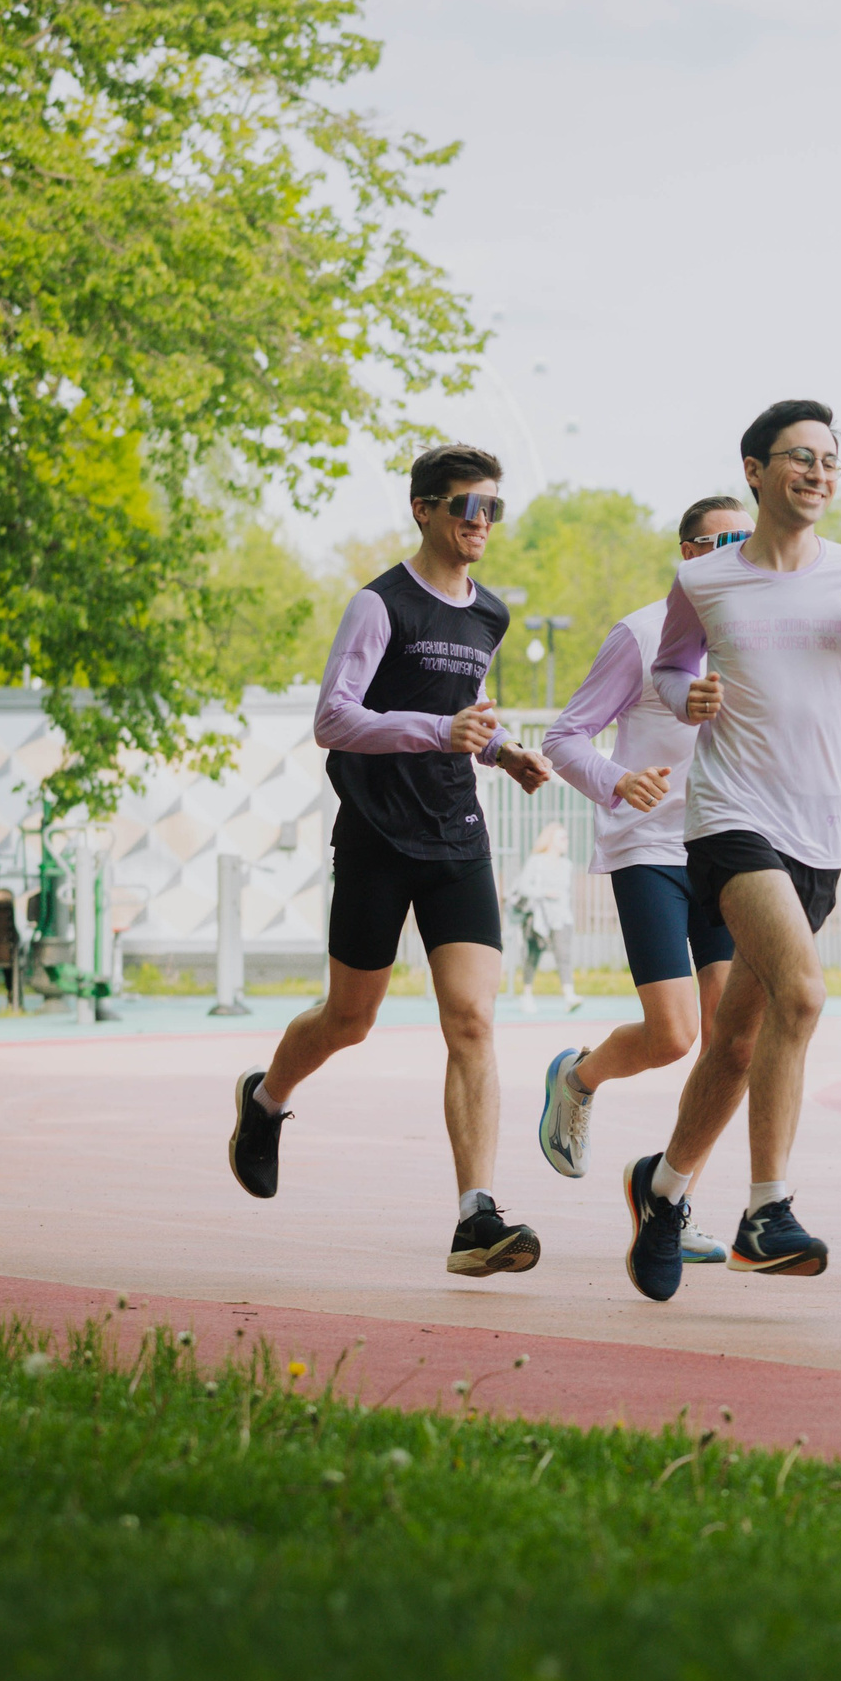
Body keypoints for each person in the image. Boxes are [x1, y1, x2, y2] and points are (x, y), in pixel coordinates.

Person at [619, 398, 841, 1300]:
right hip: (729, 818)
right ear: (756, 471)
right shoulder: (709, 580)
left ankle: (665, 1188)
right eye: (799, 457)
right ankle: (768, 1210)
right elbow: (673, 663)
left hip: (820, 832)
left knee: (735, 1042)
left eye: (831, 461)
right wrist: (687, 694)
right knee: (801, 995)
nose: (818, 473)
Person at [226, 443, 557, 1279]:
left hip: (456, 837)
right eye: (465, 507)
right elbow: (335, 720)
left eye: (493, 509)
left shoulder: (492, 615)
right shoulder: (380, 606)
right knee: (351, 1019)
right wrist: (437, 732)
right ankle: (266, 1100)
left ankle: (475, 1220)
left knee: (473, 1020)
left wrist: (502, 750)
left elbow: (465, 714)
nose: (480, 523)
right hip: (377, 836)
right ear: (423, 509)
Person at [538, 494, 839, 1270]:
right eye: (722, 539)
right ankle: (579, 1076)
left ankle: (673, 1202)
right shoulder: (643, 635)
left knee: (731, 1042)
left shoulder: (771, 627)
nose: (741, 548)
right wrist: (616, 781)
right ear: (688, 554)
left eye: (747, 535)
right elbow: (566, 737)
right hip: (651, 847)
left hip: (734, 847)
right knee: (673, 1035)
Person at [508, 820, 581, 1013]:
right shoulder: (536, 861)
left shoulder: (567, 865)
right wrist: (544, 892)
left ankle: (569, 996)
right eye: (562, 837)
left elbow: (566, 894)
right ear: (552, 840)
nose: (566, 841)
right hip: (538, 918)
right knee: (533, 956)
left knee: (563, 955)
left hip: (561, 918)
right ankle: (526, 995)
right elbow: (524, 887)